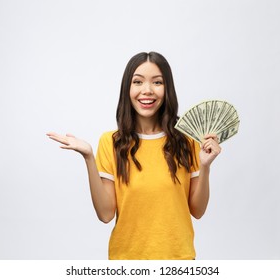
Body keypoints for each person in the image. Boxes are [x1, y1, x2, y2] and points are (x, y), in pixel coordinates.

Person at [47, 51, 221, 260]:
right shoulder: (111, 142)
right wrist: (88, 158)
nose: (147, 90)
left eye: (157, 82)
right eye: (137, 82)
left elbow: (198, 211)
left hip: (179, 261)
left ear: (167, 89)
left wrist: (205, 166)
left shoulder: (187, 141)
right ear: (127, 89)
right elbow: (105, 214)